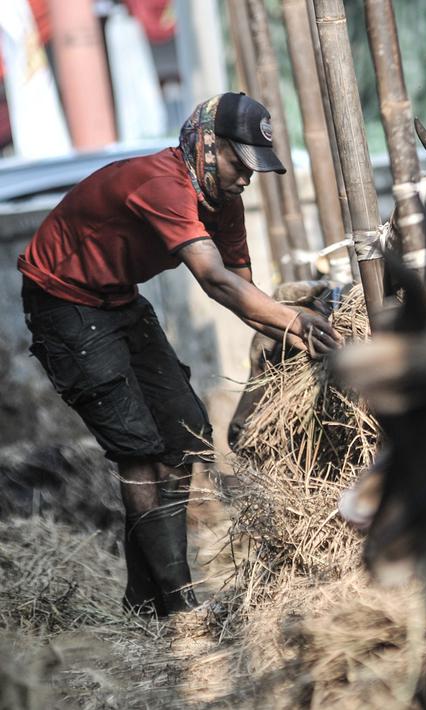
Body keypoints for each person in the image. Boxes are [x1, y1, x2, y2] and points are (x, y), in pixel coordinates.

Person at [17, 92, 341, 616]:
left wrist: (304, 336)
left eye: (253, 170)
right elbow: (214, 281)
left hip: (119, 299)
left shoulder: (224, 203)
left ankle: (147, 602)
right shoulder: (164, 185)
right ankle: (177, 603)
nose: (245, 179)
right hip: (63, 302)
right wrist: (298, 321)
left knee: (186, 432)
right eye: (240, 164)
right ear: (207, 148)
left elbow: (247, 297)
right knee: (139, 449)